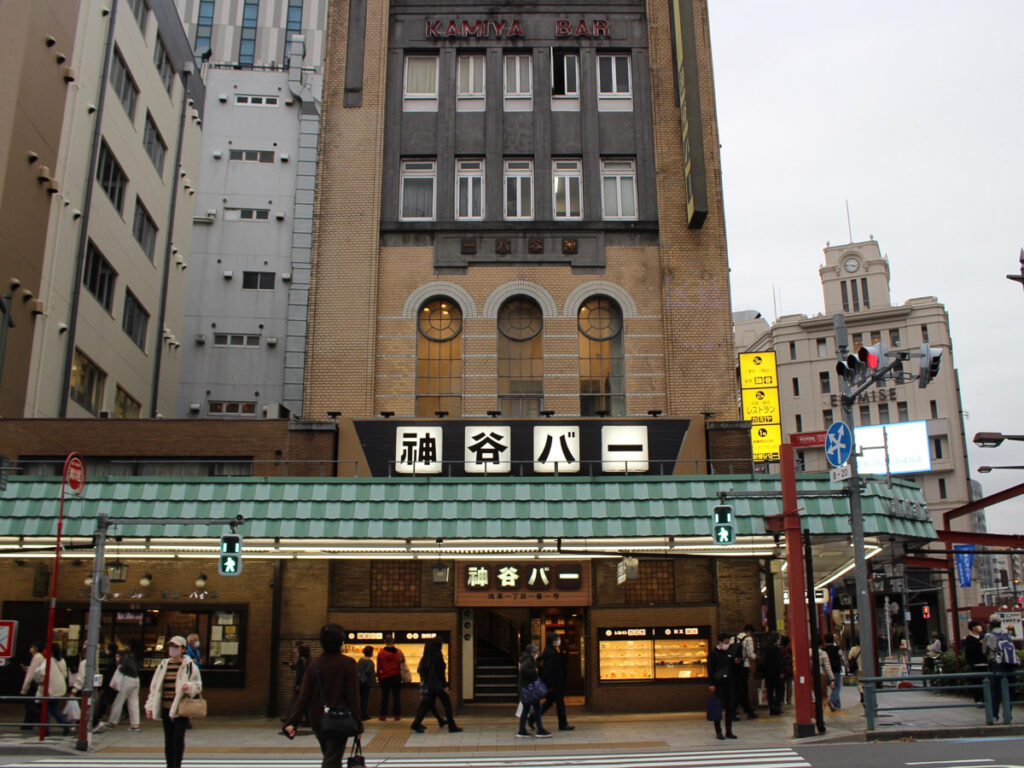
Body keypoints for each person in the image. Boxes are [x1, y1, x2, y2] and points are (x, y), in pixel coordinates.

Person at [284, 623, 362, 768]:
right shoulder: (348, 664)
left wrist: (292, 722)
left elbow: (304, 696)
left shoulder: (315, 665)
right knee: (332, 758)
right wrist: (358, 723)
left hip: (318, 719)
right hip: (340, 719)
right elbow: (353, 697)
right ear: (341, 642)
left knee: (330, 755)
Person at [144, 635, 202, 768]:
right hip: (165, 707)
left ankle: (177, 764)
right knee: (168, 738)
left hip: (180, 708)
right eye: (171, 646)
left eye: (176, 647)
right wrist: (149, 706)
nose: (173, 649)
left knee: (178, 738)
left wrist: (189, 687)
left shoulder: (189, 666)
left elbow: (198, 685)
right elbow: (155, 688)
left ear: (183, 649)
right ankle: (170, 764)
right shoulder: (163, 665)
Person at [410, 639, 461, 733]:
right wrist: (444, 686)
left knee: (425, 704)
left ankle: (416, 723)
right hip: (438, 685)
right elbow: (440, 672)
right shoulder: (438, 655)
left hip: (431, 685)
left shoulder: (430, 655)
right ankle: (451, 725)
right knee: (447, 705)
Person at [99, 639, 142, 732]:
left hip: (127, 679)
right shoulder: (138, 655)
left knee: (119, 700)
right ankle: (135, 724)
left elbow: (124, 667)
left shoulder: (128, 655)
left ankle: (112, 721)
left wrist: (119, 662)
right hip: (136, 679)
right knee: (134, 702)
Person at [983, 617, 1020, 720]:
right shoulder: (1007, 633)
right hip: (1010, 663)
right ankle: (1008, 714)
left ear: (990, 624)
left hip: (997, 663)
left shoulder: (989, 635)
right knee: (1010, 690)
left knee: (996, 690)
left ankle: (994, 715)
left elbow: (984, 651)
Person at [538, 634, 574, 731]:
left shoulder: (552, 651)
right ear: (553, 641)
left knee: (549, 703)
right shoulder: (551, 652)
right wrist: (551, 685)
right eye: (557, 639)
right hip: (555, 684)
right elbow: (549, 670)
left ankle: (533, 717)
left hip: (555, 683)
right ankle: (563, 724)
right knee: (560, 704)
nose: (559, 641)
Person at [517, 644, 551, 738]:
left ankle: (522, 730)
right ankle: (540, 729)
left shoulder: (525, 659)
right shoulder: (528, 660)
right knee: (537, 708)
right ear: (531, 653)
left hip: (526, 688)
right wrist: (534, 671)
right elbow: (524, 671)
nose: (537, 654)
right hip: (530, 689)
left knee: (527, 709)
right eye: (535, 652)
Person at [707, 632, 737, 740]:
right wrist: (711, 683)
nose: (727, 645)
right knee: (717, 707)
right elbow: (710, 669)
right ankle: (718, 731)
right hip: (718, 683)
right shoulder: (713, 654)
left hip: (729, 683)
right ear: (720, 642)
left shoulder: (729, 653)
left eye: (728, 643)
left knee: (729, 707)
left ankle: (729, 731)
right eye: (725, 642)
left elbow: (732, 667)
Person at [376, 634, 405, 721]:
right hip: (396, 676)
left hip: (385, 677)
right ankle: (397, 715)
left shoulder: (381, 653)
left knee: (385, 696)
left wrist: (379, 677)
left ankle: (383, 715)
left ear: (385, 641)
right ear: (393, 641)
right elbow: (403, 662)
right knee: (396, 697)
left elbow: (379, 666)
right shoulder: (399, 652)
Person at [731, 624, 758, 720]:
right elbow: (750, 654)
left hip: (735, 667)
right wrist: (756, 657)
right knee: (742, 690)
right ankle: (734, 712)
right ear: (750, 632)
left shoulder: (734, 638)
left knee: (739, 689)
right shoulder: (748, 639)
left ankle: (748, 710)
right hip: (743, 666)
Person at [759, 632, 784, 715]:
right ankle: (777, 707)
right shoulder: (776, 649)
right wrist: (781, 672)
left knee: (770, 690)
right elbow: (778, 662)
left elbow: (762, 661)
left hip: (767, 673)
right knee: (778, 690)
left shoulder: (764, 648)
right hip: (776, 673)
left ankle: (771, 708)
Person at [963, 621, 988, 703]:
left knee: (985, 682)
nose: (979, 627)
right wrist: (979, 643)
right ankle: (978, 699)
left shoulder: (983, 636)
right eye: (977, 625)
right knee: (977, 682)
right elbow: (969, 651)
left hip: (984, 662)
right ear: (973, 628)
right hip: (975, 664)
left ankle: (985, 699)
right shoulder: (969, 639)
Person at [288, 642, 311, 725]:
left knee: (297, 702)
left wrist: (298, 684)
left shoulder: (300, 660)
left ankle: (292, 719)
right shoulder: (309, 659)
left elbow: (300, 673)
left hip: (301, 685)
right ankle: (307, 719)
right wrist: (292, 666)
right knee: (305, 702)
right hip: (307, 684)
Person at [822, 633, 846, 711]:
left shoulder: (823, 650)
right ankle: (832, 700)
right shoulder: (837, 649)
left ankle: (837, 705)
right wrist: (847, 668)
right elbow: (843, 658)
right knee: (837, 687)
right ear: (833, 640)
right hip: (836, 670)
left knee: (833, 688)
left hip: (826, 671)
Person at [356, 645, 374, 721]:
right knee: (365, 698)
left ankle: (360, 713)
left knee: (360, 698)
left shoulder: (360, 660)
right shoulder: (370, 662)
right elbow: (369, 672)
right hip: (366, 682)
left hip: (359, 681)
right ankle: (364, 713)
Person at [779, 636, 794, 706]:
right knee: (789, 686)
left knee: (781, 686)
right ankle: (789, 700)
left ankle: (782, 699)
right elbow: (790, 661)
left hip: (782, 670)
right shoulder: (789, 650)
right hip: (789, 671)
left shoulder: (780, 650)